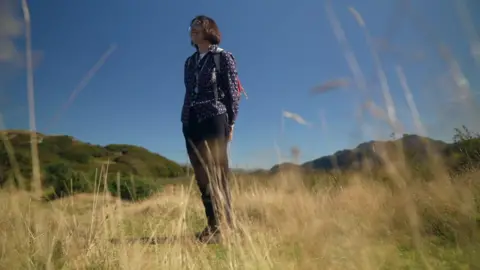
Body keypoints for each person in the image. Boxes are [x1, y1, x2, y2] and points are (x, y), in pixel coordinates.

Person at [181, 15, 241, 243]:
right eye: (191, 27)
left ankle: (227, 226)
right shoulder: (189, 62)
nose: (193, 30)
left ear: (209, 30)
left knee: (218, 173)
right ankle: (213, 227)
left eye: (198, 26)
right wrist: (185, 121)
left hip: (215, 117)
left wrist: (231, 122)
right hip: (190, 120)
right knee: (202, 176)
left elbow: (233, 92)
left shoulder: (223, 57)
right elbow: (189, 92)